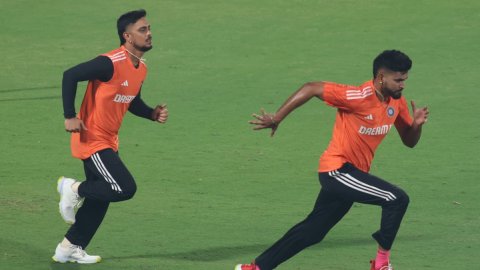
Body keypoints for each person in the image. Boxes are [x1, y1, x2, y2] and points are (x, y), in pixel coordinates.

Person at [235, 50, 429, 270]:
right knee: (396, 198)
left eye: (405, 79)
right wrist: (277, 118)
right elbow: (311, 88)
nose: (403, 85)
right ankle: (381, 264)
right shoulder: (358, 97)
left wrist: (416, 125)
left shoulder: (396, 102)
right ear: (381, 77)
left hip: (353, 175)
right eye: (398, 80)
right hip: (337, 171)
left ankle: (257, 267)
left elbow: (409, 141)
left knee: (313, 231)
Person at [52, 9, 168, 264]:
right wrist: (69, 115)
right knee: (123, 187)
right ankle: (72, 188)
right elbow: (70, 75)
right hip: (91, 139)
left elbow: (131, 100)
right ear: (127, 36)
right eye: (142, 30)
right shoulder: (109, 63)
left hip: (108, 140)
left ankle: (69, 248)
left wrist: (151, 113)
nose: (149, 34)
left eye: (149, 28)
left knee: (102, 195)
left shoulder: (141, 68)